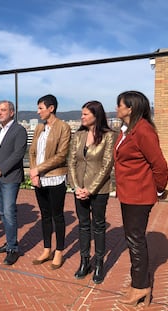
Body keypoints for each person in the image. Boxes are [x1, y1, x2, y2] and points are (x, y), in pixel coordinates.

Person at [114, 91, 168, 306]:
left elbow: (160, 165)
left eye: (120, 105)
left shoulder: (143, 130)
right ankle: (138, 282)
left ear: (131, 108)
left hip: (139, 194)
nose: (117, 108)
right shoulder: (127, 130)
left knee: (135, 240)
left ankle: (141, 287)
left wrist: (158, 190)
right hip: (128, 193)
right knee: (133, 238)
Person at [68, 101, 116, 284]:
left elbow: (106, 166)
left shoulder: (109, 136)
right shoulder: (78, 135)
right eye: (82, 114)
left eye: (86, 114)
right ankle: (84, 261)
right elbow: (71, 160)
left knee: (98, 225)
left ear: (97, 115)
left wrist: (90, 189)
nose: (82, 117)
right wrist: (76, 187)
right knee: (83, 225)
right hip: (79, 189)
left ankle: (99, 264)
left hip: (99, 190)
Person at [29, 94, 71, 270]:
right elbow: (32, 152)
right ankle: (47, 250)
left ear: (51, 108)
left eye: (41, 108)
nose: (38, 112)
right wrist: (34, 173)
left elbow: (61, 155)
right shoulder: (39, 128)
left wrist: (38, 169)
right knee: (45, 216)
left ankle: (59, 251)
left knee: (57, 216)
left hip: (55, 177)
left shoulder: (63, 127)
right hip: (39, 179)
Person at [0, 100, 28, 265]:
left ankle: (13, 248)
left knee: (9, 212)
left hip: (10, 178)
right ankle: (10, 241)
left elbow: (18, 154)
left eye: (3, 110)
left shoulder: (19, 130)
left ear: (12, 112)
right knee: (2, 212)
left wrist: (1, 169)